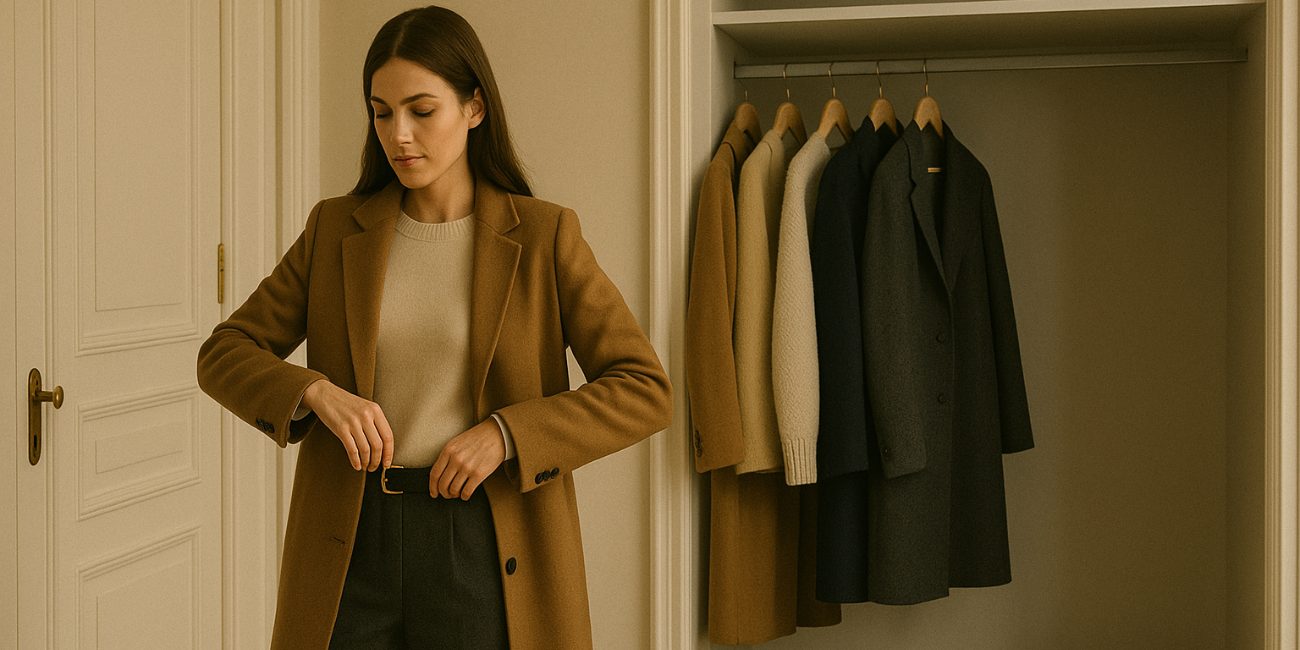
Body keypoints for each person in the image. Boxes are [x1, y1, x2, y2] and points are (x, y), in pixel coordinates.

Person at [196, 6, 672, 648]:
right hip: (350, 539)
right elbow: (224, 352)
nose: (399, 135)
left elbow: (645, 388)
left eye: (422, 110)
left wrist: (507, 435)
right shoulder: (335, 230)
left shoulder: (543, 235)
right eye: (381, 111)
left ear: (474, 108)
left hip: (482, 544)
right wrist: (315, 393)